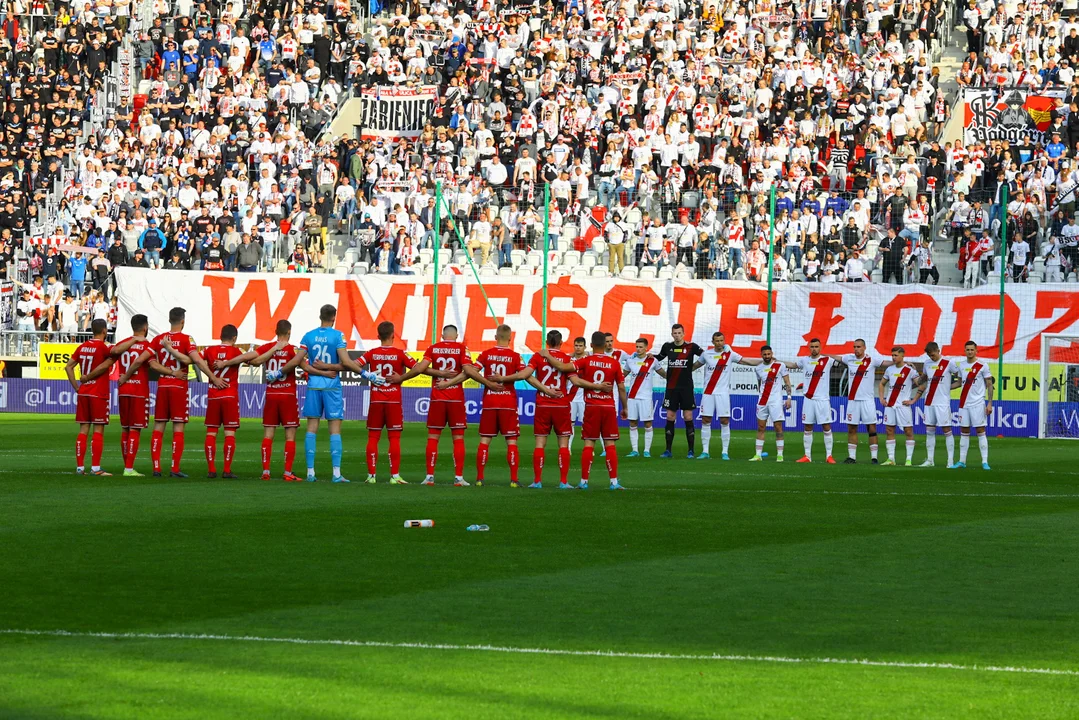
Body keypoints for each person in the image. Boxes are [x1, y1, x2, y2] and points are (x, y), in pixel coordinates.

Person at [128, 307, 221, 477]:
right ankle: (174, 468)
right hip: (179, 387)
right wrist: (213, 378)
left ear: (169, 320)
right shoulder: (187, 339)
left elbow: (143, 360)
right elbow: (197, 361)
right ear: (183, 321)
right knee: (178, 428)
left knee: (159, 427)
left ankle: (156, 468)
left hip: (163, 386)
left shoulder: (159, 339)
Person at [300, 304, 382, 483]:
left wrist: (317, 369)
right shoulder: (338, 335)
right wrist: (365, 373)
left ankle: (310, 473)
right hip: (332, 386)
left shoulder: (309, 335)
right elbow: (345, 362)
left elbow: (299, 361)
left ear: (319, 316)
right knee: (334, 430)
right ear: (334, 317)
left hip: (313, 385)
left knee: (311, 429)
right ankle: (336, 474)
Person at [439, 324, 524, 487]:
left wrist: (449, 382)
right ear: (510, 339)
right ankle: (514, 479)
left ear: (495, 337)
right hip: (508, 403)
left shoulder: (486, 354)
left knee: (485, 440)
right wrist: (505, 379)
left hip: (490, 402)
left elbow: (470, 372)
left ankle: (479, 478)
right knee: (511, 442)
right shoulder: (515, 356)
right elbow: (522, 374)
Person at [394, 325, 473, 486]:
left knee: (433, 437)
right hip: (455, 399)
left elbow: (420, 368)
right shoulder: (462, 349)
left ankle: (429, 477)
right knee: (458, 438)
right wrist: (450, 381)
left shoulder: (433, 348)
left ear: (442, 335)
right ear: (456, 336)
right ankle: (458, 478)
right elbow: (468, 372)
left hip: (437, 398)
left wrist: (402, 378)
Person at [530, 331, 607, 488]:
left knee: (539, 444)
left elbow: (526, 375)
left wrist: (544, 389)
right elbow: (576, 381)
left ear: (547, 341)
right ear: (561, 342)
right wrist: (597, 386)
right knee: (563, 445)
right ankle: (563, 482)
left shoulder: (538, 356)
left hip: (543, 404)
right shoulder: (566, 359)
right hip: (561, 405)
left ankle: (537, 481)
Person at [355, 322, 417, 484]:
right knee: (394, 438)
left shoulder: (372, 353)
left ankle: (371, 476)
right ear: (393, 335)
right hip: (393, 402)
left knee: (373, 437)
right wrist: (401, 378)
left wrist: (367, 375)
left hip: (376, 401)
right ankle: (394, 476)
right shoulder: (400, 353)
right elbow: (417, 368)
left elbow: (354, 365)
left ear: (378, 336)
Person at [112, 314, 169, 477]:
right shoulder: (147, 346)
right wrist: (171, 372)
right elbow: (153, 365)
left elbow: (114, 353)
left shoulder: (123, 343)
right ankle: (129, 469)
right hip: (138, 392)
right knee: (135, 430)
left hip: (123, 390)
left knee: (125, 429)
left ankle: (127, 466)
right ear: (145, 327)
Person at [573, 331, 629, 489]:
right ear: (605, 345)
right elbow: (622, 388)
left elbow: (573, 375)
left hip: (591, 406)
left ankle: (584, 482)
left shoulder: (586, 360)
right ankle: (614, 482)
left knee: (589, 443)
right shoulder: (614, 363)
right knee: (610, 444)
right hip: (608, 407)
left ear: (590, 345)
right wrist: (624, 408)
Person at [66, 318, 120, 476]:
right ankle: (96, 468)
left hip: (84, 392)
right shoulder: (104, 348)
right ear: (104, 331)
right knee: (98, 430)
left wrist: (76, 386)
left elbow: (68, 366)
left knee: (83, 430)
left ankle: (79, 468)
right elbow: (111, 359)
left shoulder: (82, 347)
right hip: (98, 393)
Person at [830, 339, 893, 464]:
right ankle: (852, 457)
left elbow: (887, 363)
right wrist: (823, 354)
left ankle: (874, 458)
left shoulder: (872, 360)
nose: (856, 349)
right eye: (854, 347)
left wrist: (904, 362)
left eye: (858, 347)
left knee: (871, 428)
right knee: (852, 428)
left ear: (864, 347)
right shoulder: (849, 358)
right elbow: (836, 357)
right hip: (853, 400)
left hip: (867, 400)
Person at [694, 331, 755, 460]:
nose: (720, 343)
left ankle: (725, 452)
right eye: (717, 341)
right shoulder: (706, 354)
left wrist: (764, 361)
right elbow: (694, 366)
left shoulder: (730, 354)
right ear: (713, 342)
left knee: (724, 421)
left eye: (722, 340)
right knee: (705, 420)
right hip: (708, 392)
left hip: (722, 393)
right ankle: (705, 452)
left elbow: (746, 361)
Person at [201, 324, 247, 479]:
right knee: (229, 434)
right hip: (230, 396)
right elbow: (250, 357)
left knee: (211, 433)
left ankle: (211, 469)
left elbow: (195, 359)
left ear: (220, 336)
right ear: (234, 338)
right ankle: (227, 470)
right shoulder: (237, 352)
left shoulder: (209, 350)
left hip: (214, 396)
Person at [654, 324, 705, 458]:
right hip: (671, 388)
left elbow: (706, 356)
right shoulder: (667, 346)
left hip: (686, 388)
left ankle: (691, 451)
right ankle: (668, 450)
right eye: (674, 333)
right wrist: (646, 356)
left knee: (688, 417)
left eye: (679, 333)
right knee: (670, 416)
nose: (677, 335)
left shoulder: (691, 347)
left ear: (683, 334)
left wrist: (694, 366)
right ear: (672, 334)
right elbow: (658, 357)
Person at [793, 338, 838, 463]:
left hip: (822, 400)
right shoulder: (805, 360)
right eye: (812, 346)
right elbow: (793, 365)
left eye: (816, 346)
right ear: (809, 347)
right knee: (807, 426)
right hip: (808, 399)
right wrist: (778, 362)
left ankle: (829, 456)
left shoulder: (827, 360)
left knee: (826, 426)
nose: (814, 349)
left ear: (820, 347)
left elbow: (842, 363)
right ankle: (807, 456)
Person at [914, 341, 959, 468]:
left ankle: (950, 461)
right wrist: (916, 376)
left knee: (946, 430)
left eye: (933, 355)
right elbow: (923, 379)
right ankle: (930, 460)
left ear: (938, 351)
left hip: (942, 403)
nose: (931, 358)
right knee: (929, 430)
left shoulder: (949, 363)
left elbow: (960, 379)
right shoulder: (927, 363)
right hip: (929, 401)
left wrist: (947, 388)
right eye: (929, 355)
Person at [952, 341, 994, 470]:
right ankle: (962, 461)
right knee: (964, 431)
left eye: (972, 349)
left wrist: (990, 403)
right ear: (964, 351)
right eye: (967, 350)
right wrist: (943, 388)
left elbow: (989, 385)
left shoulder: (982, 365)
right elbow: (959, 383)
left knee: (980, 431)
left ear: (976, 351)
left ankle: (985, 462)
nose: (969, 352)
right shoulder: (962, 365)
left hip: (977, 403)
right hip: (964, 403)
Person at [747, 345, 793, 462]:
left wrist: (789, 398)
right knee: (761, 427)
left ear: (772, 353)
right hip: (762, 401)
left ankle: (780, 455)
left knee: (778, 427)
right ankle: (758, 455)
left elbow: (787, 383)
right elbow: (759, 384)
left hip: (775, 401)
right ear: (761, 355)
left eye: (769, 354)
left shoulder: (780, 365)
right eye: (764, 354)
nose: (767, 356)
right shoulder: (758, 368)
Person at [878, 346, 922, 466]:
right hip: (890, 405)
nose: (893, 357)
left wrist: (913, 400)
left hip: (903, 406)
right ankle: (891, 459)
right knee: (889, 430)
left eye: (896, 355)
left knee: (908, 431)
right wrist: (882, 398)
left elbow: (920, 384)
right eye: (892, 355)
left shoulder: (910, 371)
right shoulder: (890, 370)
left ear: (903, 355)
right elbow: (881, 384)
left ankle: (908, 459)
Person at [621, 338, 659, 458]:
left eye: (641, 347)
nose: (638, 349)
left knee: (648, 424)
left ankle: (647, 450)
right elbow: (622, 376)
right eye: (637, 346)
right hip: (632, 397)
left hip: (646, 397)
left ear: (646, 347)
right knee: (632, 423)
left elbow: (663, 373)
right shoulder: (630, 361)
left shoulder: (653, 361)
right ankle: (635, 450)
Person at [567, 336, 588, 450]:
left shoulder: (589, 359)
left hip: (585, 397)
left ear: (585, 347)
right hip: (571, 397)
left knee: (587, 425)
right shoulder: (568, 359)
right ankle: (568, 448)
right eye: (576, 345)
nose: (578, 348)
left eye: (580, 346)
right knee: (570, 424)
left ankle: (588, 448)